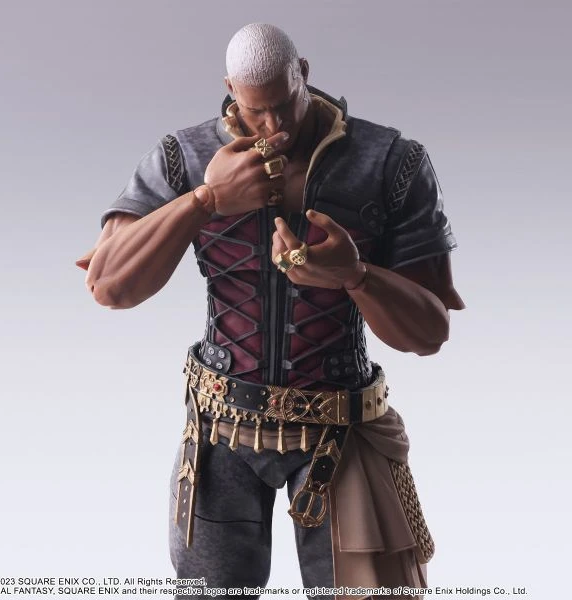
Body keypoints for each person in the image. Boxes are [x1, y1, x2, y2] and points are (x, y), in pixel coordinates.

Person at [76, 23, 465, 600]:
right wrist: (205, 200)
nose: (273, 125)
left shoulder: (390, 161)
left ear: (303, 72)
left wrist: (355, 275)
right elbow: (109, 285)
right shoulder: (184, 157)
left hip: (342, 428)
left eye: (284, 104)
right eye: (256, 111)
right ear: (230, 90)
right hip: (221, 429)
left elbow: (429, 332)